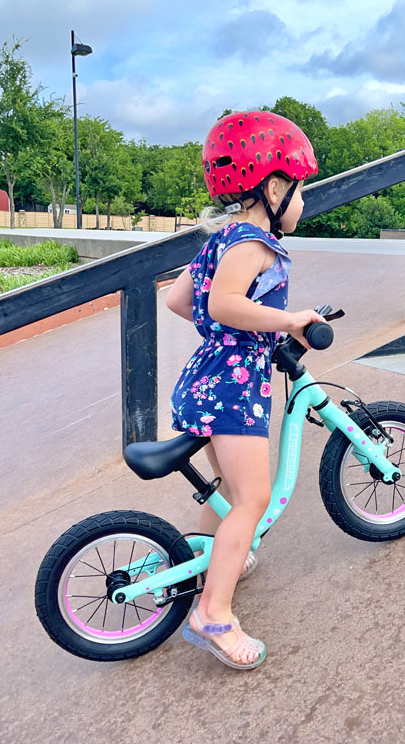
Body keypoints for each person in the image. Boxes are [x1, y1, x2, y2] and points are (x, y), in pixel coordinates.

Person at [165, 111, 324, 670]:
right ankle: (214, 614)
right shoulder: (256, 244)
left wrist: (227, 337)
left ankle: (212, 562)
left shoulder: (222, 238)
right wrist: (287, 320)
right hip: (233, 390)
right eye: (301, 188)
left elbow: (180, 301)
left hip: (206, 379)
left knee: (231, 491)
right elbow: (222, 304)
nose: (303, 199)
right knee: (253, 499)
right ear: (275, 187)